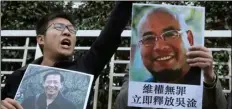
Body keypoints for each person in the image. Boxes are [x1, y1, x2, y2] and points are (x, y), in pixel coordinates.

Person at [1, 1, 132, 109]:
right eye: (58, 27)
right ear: (41, 39)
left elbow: (111, 32)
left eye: (71, 29)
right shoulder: (19, 77)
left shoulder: (85, 68)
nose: (67, 32)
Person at [116, 7, 227, 109]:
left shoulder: (204, 74)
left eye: (170, 34)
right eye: (149, 38)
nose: (159, 47)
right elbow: (120, 105)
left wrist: (210, 79)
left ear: (189, 39)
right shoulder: (141, 85)